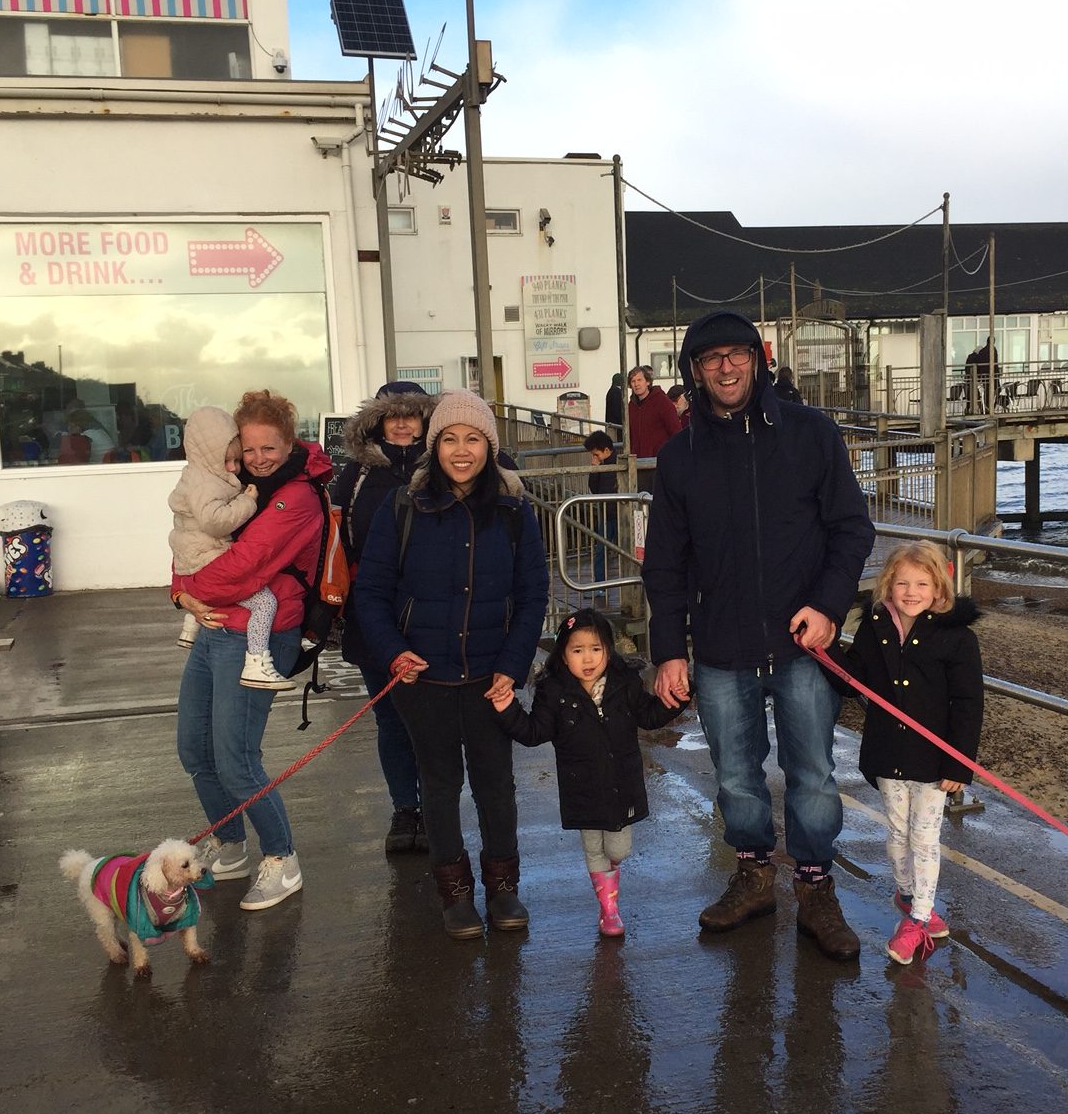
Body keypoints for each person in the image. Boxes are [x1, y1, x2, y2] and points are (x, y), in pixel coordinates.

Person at [643, 310, 874, 961]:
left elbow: (853, 529)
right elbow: (664, 565)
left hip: (802, 645)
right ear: (693, 371)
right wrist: (667, 651)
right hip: (720, 649)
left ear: (758, 359)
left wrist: (829, 607)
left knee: (813, 776)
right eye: (710, 357)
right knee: (738, 778)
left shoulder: (811, 434)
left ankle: (815, 887)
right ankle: (752, 876)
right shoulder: (679, 457)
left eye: (737, 354)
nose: (725, 366)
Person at [354, 389, 550, 939]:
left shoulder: (513, 511)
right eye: (449, 439)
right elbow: (370, 592)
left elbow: (535, 593)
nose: (461, 451)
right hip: (424, 679)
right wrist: (394, 651)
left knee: (496, 787)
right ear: (432, 445)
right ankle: (455, 893)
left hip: (492, 678)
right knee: (438, 788)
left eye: (473, 439)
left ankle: (504, 887)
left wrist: (514, 663)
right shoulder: (404, 507)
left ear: (489, 446)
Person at [173, 389, 330, 912]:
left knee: (237, 760)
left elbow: (244, 567)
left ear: (290, 442)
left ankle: (282, 859)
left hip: (259, 633)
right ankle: (232, 844)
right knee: (195, 750)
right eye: (249, 448)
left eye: (270, 447)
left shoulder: (296, 498)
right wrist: (178, 590)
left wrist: (192, 590)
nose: (259, 458)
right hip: (216, 625)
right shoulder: (237, 484)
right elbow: (189, 539)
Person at [826, 541, 983, 965]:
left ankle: (917, 920)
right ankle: (912, 896)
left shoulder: (957, 636)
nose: (911, 591)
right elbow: (855, 678)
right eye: (902, 583)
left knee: (925, 837)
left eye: (922, 583)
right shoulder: (875, 624)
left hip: (934, 760)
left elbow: (968, 704)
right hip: (887, 752)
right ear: (888, 585)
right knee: (896, 835)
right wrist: (826, 651)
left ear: (938, 588)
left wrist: (959, 764)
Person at [490, 609, 685, 937]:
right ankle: (609, 909)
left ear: (608, 651)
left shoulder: (625, 683)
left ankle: (610, 885)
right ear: (563, 656)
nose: (588, 658)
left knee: (618, 850)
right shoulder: (553, 692)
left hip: (621, 786)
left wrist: (676, 699)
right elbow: (534, 732)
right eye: (577, 650)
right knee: (594, 848)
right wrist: (507, 709)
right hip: (581, 788)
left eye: (596, 649)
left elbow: (650, 716)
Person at [332, 380, 438, 855]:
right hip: (371, 617)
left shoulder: (444, 465)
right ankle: (405, 810)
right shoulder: (354, 475)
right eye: (391, 415)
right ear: (375, 421)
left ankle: (437, 808)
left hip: (434, 616)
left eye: (411, 415)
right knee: (391, 721)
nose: (400, 423)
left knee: (434, 722)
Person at [167, 406, 293, 690]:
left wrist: (183, 593)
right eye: (232, 459)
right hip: (207, 561)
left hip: (195, 560)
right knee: (264, 602)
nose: (236, 467)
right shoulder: (208, 484)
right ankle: (257, 661)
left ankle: (192, 624)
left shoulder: (198, 475)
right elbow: (216, 524)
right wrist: (247, 502)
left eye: (236, 460)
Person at [625, 366, 681, 494]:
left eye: (639, 380)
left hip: (658, 464)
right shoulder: (630, 406)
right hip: (637, 465)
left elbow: (676, 431)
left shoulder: (662, 402)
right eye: (633, 381)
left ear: (648, 382)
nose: (636, 384)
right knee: (640, 504)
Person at [583, 429, 619, 599]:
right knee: (600, 552)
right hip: (606, 513)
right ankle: (600, 586)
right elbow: (594, 489)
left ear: (606, 450)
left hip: (620, 513)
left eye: (596, 454)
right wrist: (594, 471)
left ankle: (633, 585)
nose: (594, 458)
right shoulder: (601, 465)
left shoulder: (619, 462)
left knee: (627, 551)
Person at [604, 372, 626, 438]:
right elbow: (617, 409)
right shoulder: (616, 392)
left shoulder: (611, 391)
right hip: (616, 424)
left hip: (610, 422)